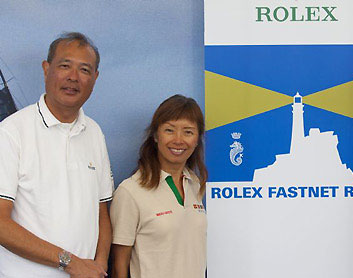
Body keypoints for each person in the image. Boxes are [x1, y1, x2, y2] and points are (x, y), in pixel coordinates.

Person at [0, 32, 113, 278]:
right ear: (46, 68)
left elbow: (102, 211)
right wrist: (70, 263)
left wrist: (100, 264)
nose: (73, 77)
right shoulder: (11, 132)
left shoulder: (94, 132)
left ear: (95, 78)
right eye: (65, 66)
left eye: (84, 70)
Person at [110, 94, 208, 278]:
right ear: (155, 135)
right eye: (169, 130)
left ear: (197, 139)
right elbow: (119, 264)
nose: (178, 140)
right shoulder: (130, 191)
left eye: (188, 132)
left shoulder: (195, 184)